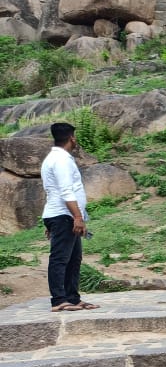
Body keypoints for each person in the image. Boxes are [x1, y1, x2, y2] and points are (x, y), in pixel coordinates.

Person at [41, 122, 99, 312]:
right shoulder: (62, 160)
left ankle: (72, 298)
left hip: (60, 215)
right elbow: (66, 191)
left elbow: (53, 191)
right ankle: (58, 300)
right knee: (60, 259)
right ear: (72, 138)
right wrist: (77, 217)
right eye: (75, 137)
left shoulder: (54, 158)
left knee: (74, 259)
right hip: (64, 216)